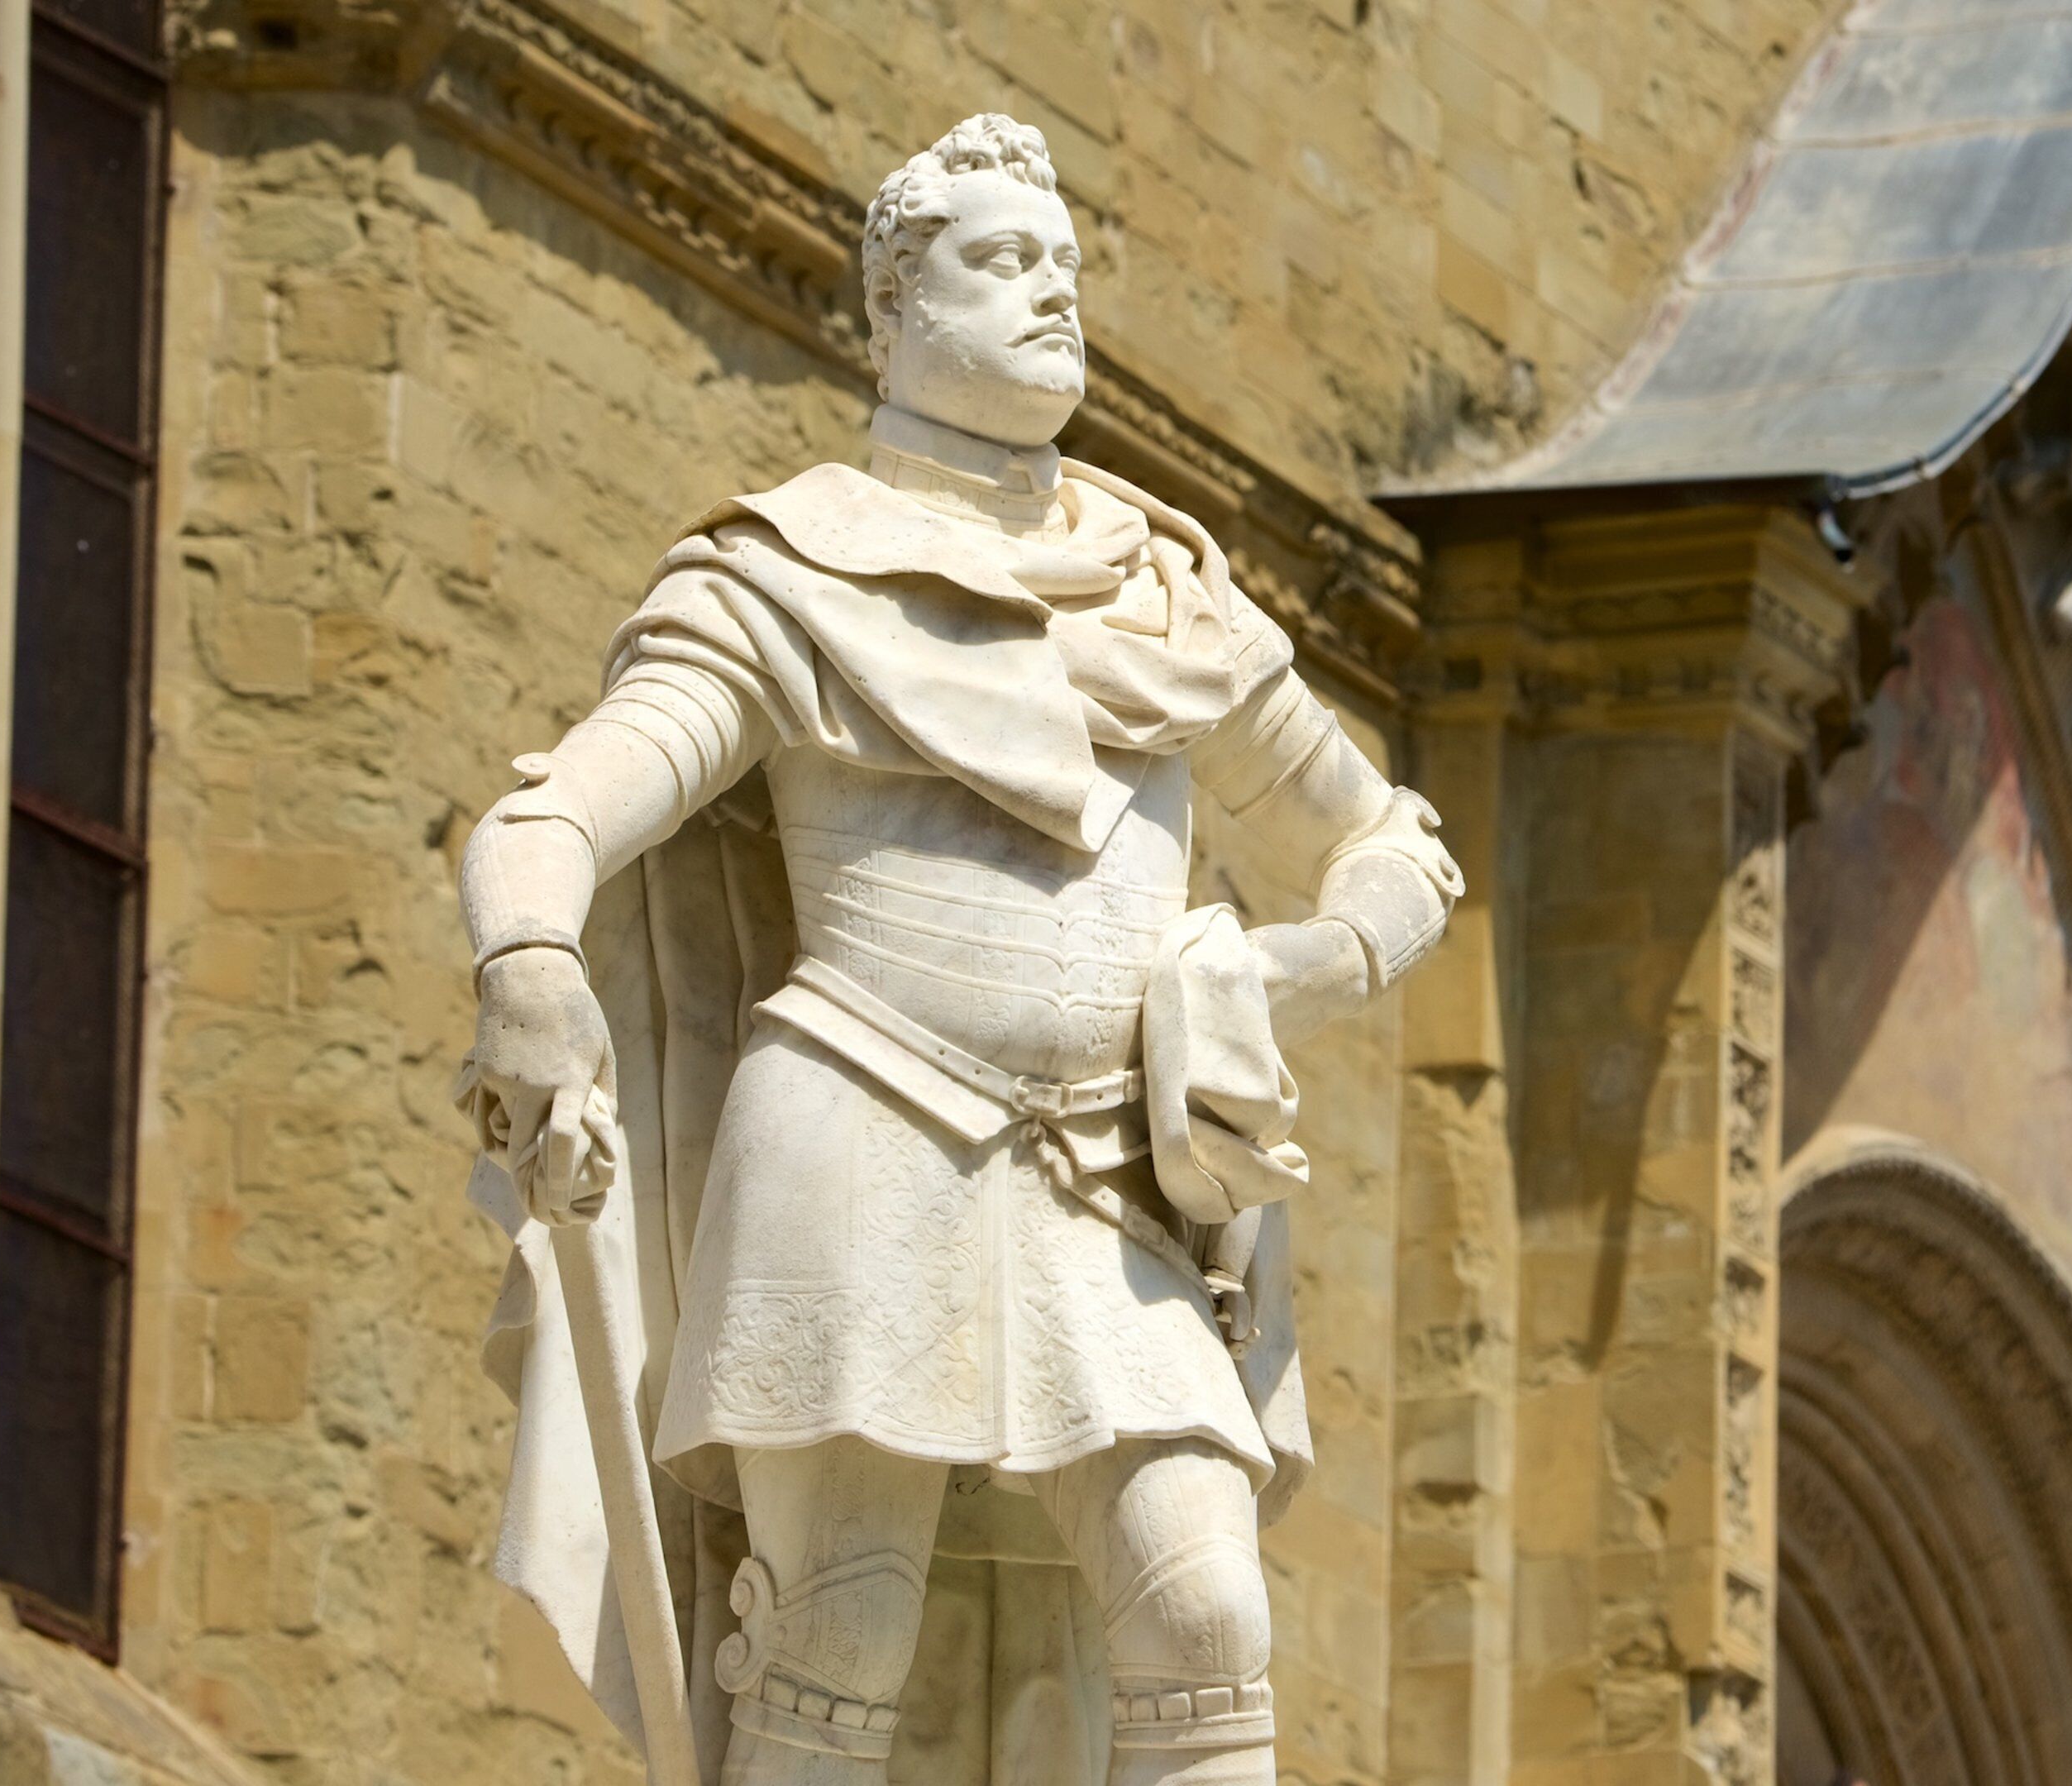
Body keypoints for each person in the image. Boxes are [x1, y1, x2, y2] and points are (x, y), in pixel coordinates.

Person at [453, 113, 1459, 1786]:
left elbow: (1397, 844)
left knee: (1209, 1616)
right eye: (1001, 262)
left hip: (1112, 1181)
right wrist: (533, 976)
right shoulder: (791, 577)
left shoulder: (1171, 601)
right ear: (892, 313)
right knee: (837, 1627)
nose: (1052, 293)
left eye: (1066, 265)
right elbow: (554, 817)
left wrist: (1291, 970)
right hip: (859, 1130)